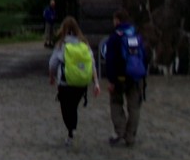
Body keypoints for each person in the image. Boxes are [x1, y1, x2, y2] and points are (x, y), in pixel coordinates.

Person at [48, 16, 100, 147]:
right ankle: (72, 130)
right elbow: (92, 63)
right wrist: (96, 83)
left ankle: (71, 131)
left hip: (65, 83)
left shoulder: (62, 44)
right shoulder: (84, 43)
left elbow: (53, 63)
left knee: (66, 108)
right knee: (73, 107)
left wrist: (52, 76)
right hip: (81, 83)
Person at [102, 8, 147, 147]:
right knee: (134, 107)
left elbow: (110, 60)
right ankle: (130, 136)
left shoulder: (115, 37)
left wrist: (111, 80)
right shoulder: (136, 35)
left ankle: (120, 130)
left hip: (120, 77)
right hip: (136, 76)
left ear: (117, 20)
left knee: (116, 103)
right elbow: (144, 56)